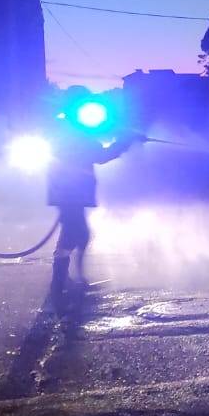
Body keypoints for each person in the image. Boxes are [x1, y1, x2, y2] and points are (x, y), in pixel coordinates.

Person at [47, 121, 139, 304]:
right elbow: (100, 155)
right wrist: (124, 141)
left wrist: (123, 137)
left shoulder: (68, 130)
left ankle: (65, 279)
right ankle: (60, 282)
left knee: (74, 233)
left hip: (68, 193)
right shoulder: (74, 134)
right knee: (78, 234)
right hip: (70, 194)